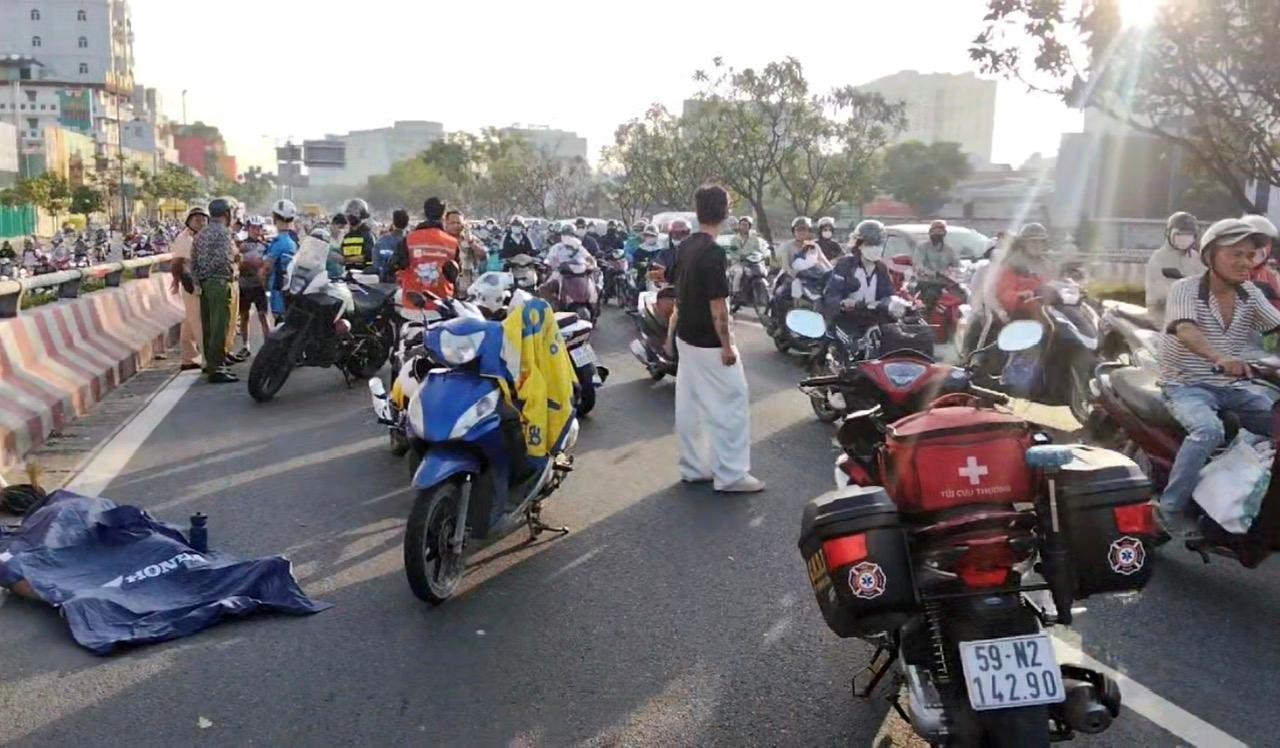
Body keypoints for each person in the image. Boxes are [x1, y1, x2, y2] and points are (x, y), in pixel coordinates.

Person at [1156, 218, 1280, 538]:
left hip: (1229, 386)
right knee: (1208, 430)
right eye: (1235, 254)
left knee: (1276, 424)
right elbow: (1185, 329)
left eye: (1250, 255)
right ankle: (1169, 510)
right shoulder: (1186, 289)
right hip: (1185, 384)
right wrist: (1219, 358)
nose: (1245, 262)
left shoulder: (1249, 294)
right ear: (1210, 255)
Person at [663, 184, 763, 493]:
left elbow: (679, 294)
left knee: (691, 404)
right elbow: (718, 306)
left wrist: (670, 335)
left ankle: (695, 467)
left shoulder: (686, 246)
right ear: (725, 212)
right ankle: (731, 475)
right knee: (731, 403)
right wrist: (728, 345)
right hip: (708, 340)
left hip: (686, 336)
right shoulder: (714, 252)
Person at [190, 198, 240, 384]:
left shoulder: (201, 234)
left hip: (204, 284)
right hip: (219, 282)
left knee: (209, 327)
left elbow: (193, 260)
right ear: (227, 214)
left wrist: (199, 279)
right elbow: (224, 259)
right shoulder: (224, 233)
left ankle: (210, 364)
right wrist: (232, 269)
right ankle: (217, 368)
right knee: (220, 326)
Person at [823, 220, 898, 338]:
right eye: (870, 243)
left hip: (874, 321)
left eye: (878, 243)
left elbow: (889, 294)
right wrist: (843, 303)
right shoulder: (846, 264)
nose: (874, 248)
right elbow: (831, 295)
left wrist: (890, 303)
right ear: (859, 244)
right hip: (846, 321)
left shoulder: (882, 268)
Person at [391, 197, 460, 309]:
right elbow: (455, 275)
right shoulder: (452, 242)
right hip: (444, 307)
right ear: (443, 216)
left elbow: (394, 265)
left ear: (424, 214)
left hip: (413, 308)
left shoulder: (408, 239)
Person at [170, 205, 209, 371]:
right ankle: (208, 360)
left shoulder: (199, 238)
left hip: (199, 282)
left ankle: (189, 357)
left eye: (203, 220)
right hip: (192, 284)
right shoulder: (185, 239)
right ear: (189, 221)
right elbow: (177, 263)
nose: (201, 223)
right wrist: (181, 281)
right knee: (199, 322)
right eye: (197, 220)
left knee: (190, 322)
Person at [1145, 211, 1204, 317]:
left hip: (1194, 314)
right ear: (1168, 233)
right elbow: (1158, 295)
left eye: (1189, 234)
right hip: (1163, 315)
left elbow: (1206, 283)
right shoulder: (1158, 258)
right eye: (1179, 234)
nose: (1184, 238)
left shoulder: (1197, 258)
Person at [994, 223, 1056, 318]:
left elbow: (1056, 285)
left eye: (1041, 242)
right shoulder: (1013, 265)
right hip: (1023, 313)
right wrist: (1020, 295)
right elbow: (1004, 294)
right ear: (1023, 244)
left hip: (1048, 310)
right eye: (1033, 242)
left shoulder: (1048, 265)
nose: (1037, 245)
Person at [236, 216, 272, 356]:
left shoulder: (266, 246)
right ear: (248, 229)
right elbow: (237, 263)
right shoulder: (241, 245)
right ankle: (245, 346)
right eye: (253, 228)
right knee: (244, 316)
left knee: (263, 315)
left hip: (259, 286)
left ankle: (268, 345)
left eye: (258, 228)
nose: (255, 231)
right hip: (244, 285)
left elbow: (268, 265)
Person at [913, 219, 962, 310]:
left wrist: (953, 272)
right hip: (927, 282)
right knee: (931, 295)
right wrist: (934, 273)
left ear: (944, 234)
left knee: (962, 294)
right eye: (934, 232)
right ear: (930, 233)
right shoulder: (922, 248)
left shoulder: (949, 250)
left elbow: (957, 266)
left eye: (939, 232)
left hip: (946, 283)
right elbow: (918, 266)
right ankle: (926, 315)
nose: (936, 234)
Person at [264, 199, 299, 318]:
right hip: (292, 291)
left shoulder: (279, 242)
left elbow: (267, 267)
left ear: (275, 218)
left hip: (279, 291)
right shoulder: (294, 239)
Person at [446, 208, 487, 293]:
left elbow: (483, 256)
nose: (456, 225)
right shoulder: (440, 239)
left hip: (465, 285)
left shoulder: (469, 239)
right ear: (446, 223)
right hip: (446, 285)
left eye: (458, 223)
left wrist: (471, 243)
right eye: (452, 223)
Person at [374, 209, 409, 281]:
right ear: (407, 224)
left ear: (393, 222)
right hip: (405, 282)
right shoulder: (411, 242)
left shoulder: (381, 241)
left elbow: (376, 265)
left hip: (384, 282)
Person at [339, 198, 375, 269]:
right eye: (349, 213)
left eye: (354, 213)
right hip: (348, 272)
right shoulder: (347, 237)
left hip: (364, 273)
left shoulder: (368, 235)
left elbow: (368, 256)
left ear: (362, 215)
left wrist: (347, 259)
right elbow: (342, 255)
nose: (351, 216)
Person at [655, 218, 692, 284]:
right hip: (668, 287)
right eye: (674, 233)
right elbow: (657, 273)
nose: (677, 236)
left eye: (682, 233)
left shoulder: (695, 253)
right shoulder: (664, 253)